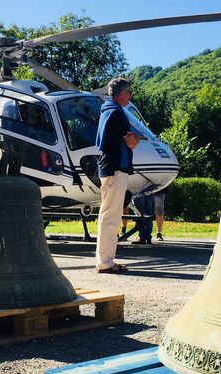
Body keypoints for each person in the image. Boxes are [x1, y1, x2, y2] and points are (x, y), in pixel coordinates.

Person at [95, 77, 140, 274]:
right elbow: (131, 142)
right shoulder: (117, 113)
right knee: (111, 217)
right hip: (115, 169)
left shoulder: (106, 110)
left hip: (107, 168)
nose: (130, 96)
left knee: (106, 215)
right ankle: (106, 262)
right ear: (121, 93)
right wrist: (135, 138)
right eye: (129, 92)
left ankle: (104, 260)